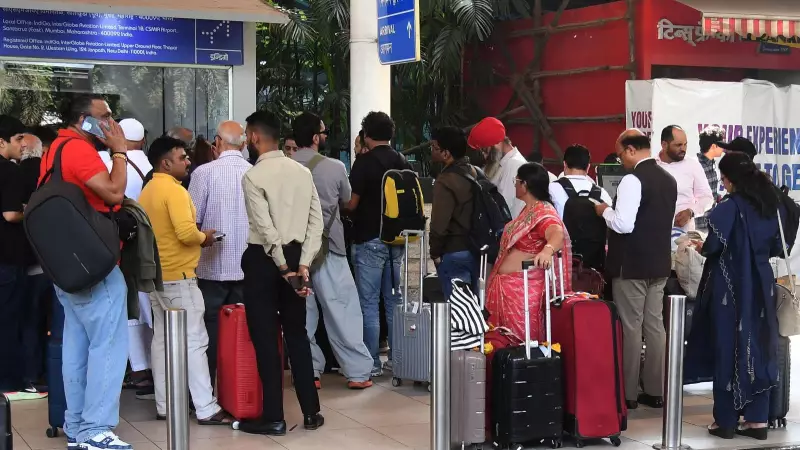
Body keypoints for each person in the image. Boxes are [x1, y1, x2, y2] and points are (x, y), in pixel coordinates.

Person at [40, 95, 132, 450]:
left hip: (67, 264)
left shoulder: (54, 151)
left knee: (76, 346)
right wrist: (119, 152)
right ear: (84, 120)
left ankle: (77, 427)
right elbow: (113, 192)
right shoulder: (79, 150)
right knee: (108, 344)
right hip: (93, 265)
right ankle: (97, 429)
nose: (112, 122)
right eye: (104, 116)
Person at [684, 152, 782, 441]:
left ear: (729, 179)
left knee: (728, 345)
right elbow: (779, 244)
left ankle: (726, 420)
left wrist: (699, 246)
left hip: (731, 285)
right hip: (762, 285)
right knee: (759, 345)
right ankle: (757, 420)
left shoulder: (728, 208)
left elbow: (714, 246)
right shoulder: (770, 203)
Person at [239, 110, 324, 435]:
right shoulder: (301, 172)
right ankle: (311, 412)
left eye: (249, 135)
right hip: (296, 255)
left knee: (265, 340)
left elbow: (266, 228)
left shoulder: (253, 177)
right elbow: (315, 222)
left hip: (264, 260)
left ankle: (273, 416)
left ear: (255, 137)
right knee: (298, 335)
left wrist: (284, 268)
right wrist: (302, 264)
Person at [138, 136, 234, 426]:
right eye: (182, 157)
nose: (188, 161)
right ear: (165, 163)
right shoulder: (175, 191)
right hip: (180, 277)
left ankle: (165, 404)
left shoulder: (148, 190)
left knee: (161, 342)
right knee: (195, 341)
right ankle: (206, 407)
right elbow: (186, 233)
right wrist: (206, 237)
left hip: (156, 276)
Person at [594, 129, 677, 410]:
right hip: (659, 263)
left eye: (619, 155)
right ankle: (655, 391)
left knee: (630, 328)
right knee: (655, 327)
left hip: (631, 265)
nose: (620, 161)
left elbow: (623, 224)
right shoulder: (668, 178)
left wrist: (604, 210)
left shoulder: (632, 180)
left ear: (630, 150)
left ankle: (627, 393)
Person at [291, 112, 374, 390]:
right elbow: (348, 202)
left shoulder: (285, 167)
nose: (325, 136)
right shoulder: (335, 167)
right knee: (342, 309)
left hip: (293, 251)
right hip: (330, 247)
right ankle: (358, 372)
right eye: (323, 132)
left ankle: (309, 370)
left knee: (303, 313)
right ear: (315, 137)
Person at [346, 111, 412, 377]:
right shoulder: (403, 161)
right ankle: (397, 361)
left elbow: (352, 204)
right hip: (397, 240)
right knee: (393, 301)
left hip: (370, 240)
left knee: (369, 304)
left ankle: (371, 363)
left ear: (366, 135)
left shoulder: (364, 163)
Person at [188, 121, 252, 387]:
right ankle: (238, 387)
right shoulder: (253, 173)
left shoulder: (203, 173)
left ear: (217, 142)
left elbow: (192, 220)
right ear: (244, 144)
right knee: (242, 330)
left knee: (210, 330)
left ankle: (208, 391)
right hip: (247, 266)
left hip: (212, 267)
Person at [485, 162, 572, 342]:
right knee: (501, 341)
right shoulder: (529, 210)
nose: (514, 185)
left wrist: (547, 251)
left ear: (525, 185)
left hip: (522, 293)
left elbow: (556, 232)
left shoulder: (544, 211)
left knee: (521, 341)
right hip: (507, 289)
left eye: (516, 181)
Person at [0, 115, 32, 393]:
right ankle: (10, 383)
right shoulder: (9, 171)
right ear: (2, 142)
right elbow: (10, 214)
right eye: (18, 139)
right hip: (7, 259)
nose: (23, 145)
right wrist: (29, 211)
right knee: (9, 320)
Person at [429, 126, 478, 300]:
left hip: (453, 251)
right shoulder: (474, 172)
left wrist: (434, 254)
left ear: (446, 153)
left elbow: (439, 224)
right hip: (474, 249)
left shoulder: (445, 180)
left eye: (434, 147)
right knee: (472, 308)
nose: (431, 151)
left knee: (456, 310)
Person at [549, 144, 613, 271]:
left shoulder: (551, 188)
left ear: (565, 164)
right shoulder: (601, 193)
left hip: (563, 262)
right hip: (595, 264)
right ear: (588, 167)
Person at [467, 117, 530, 217]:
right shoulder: (501, 163)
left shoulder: (515, 165)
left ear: (496, 143)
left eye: (485, 150)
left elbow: (504, 207)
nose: (485, 156)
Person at [657, 125, 714, 232]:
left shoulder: (693, 165)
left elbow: (707, 198)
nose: (683, 149)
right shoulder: (652, 165)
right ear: (664, 145)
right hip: (655, 232)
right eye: (678, 145)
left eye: (685, 144)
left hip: (683, 235)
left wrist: (690, 212)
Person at [695, 125, 726, 230]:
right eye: (721, 145)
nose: (724, 148)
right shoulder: (696, 166)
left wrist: (717, 197)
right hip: (698, 225)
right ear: (713, 146)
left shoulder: (712, 164)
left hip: (710, 224)